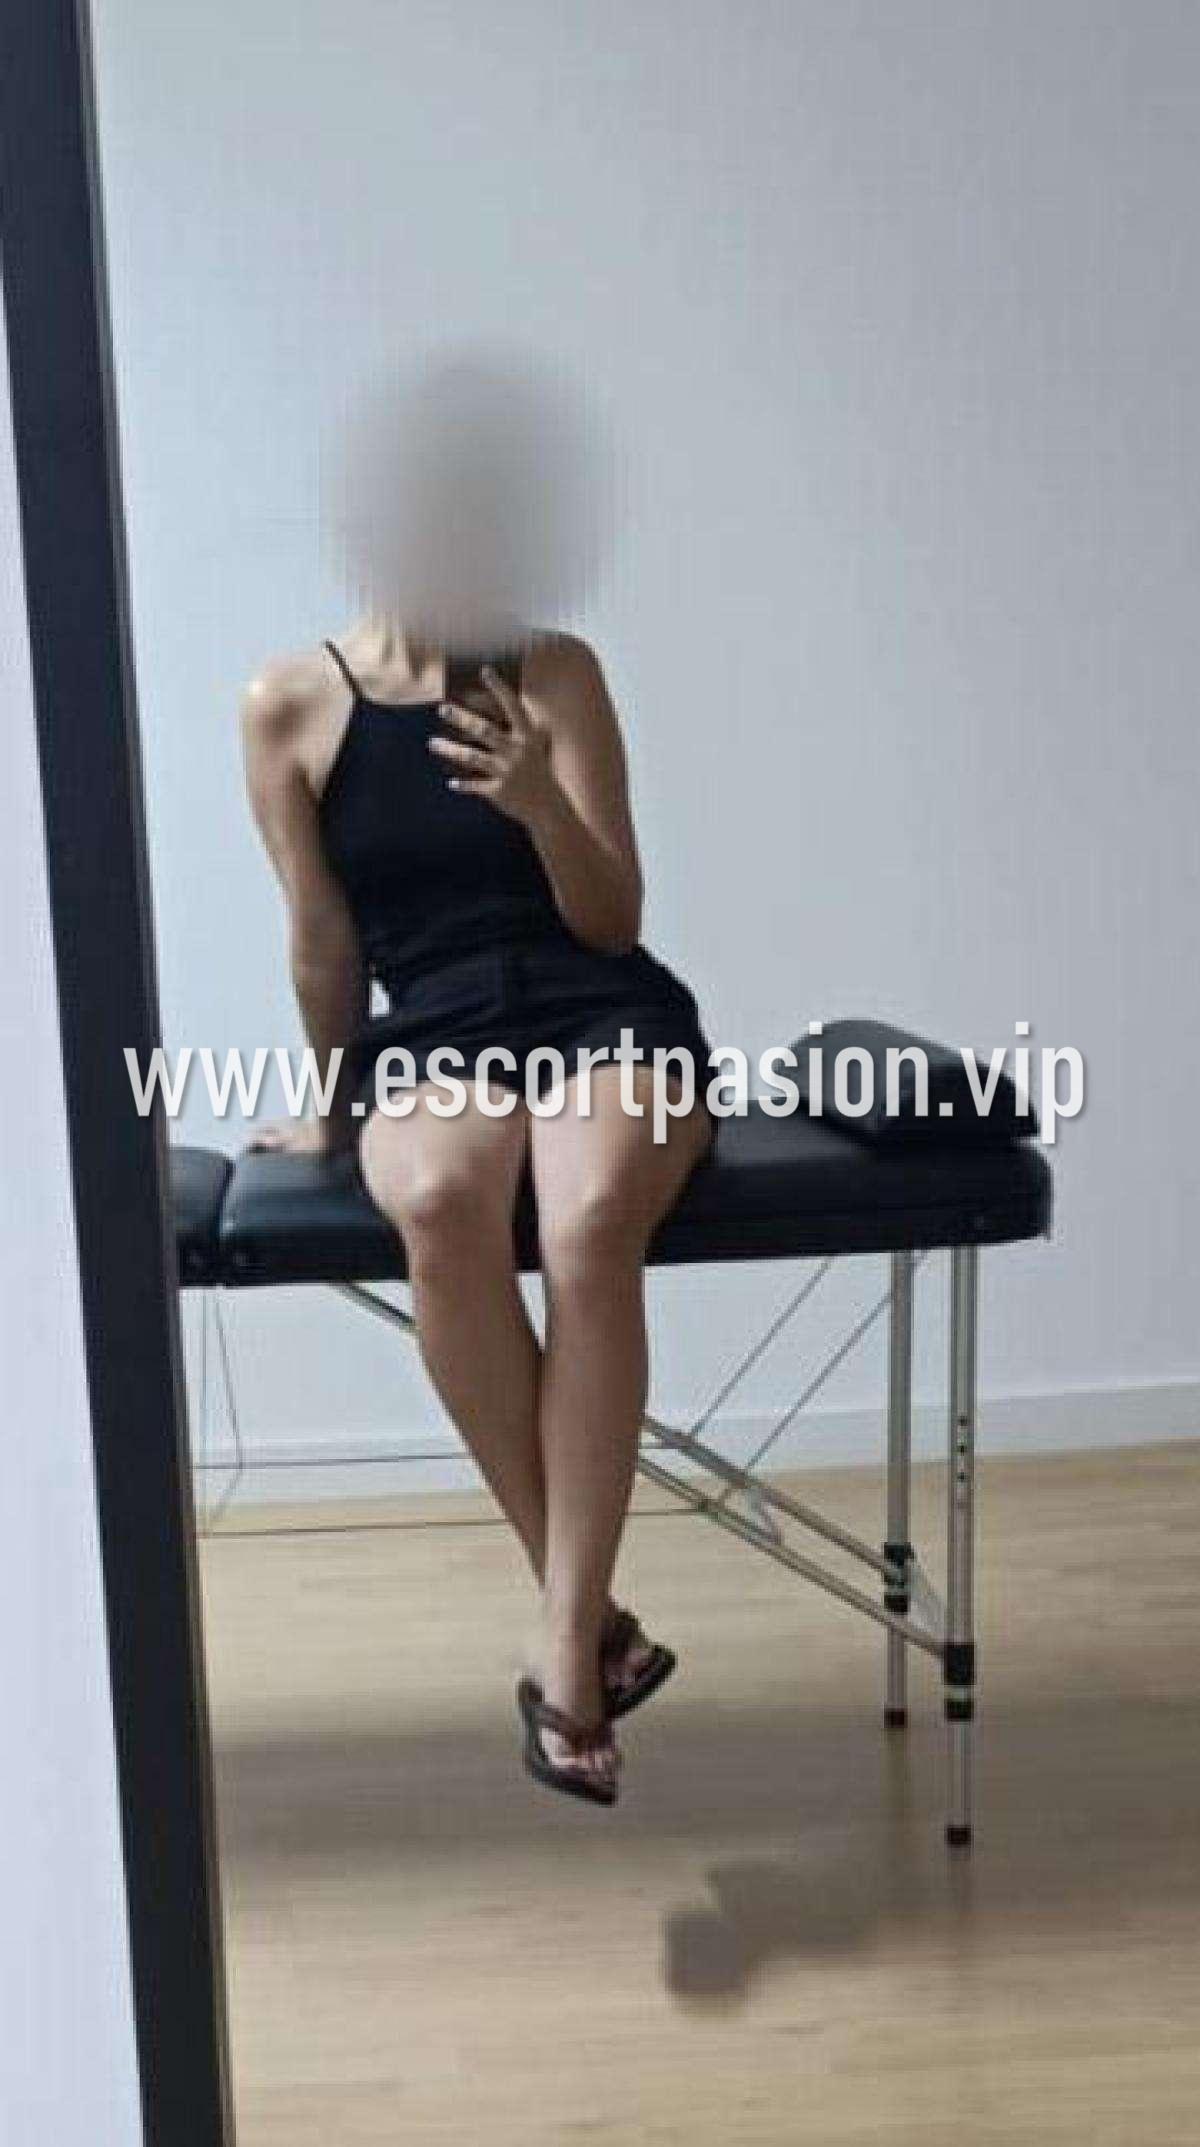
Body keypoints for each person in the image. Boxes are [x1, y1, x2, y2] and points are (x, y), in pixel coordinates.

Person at [240, 615, 715, 1804]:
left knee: (587, 1215)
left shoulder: (557, 669)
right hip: (435, 1027)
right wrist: (329, 1109)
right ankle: (590, 1616)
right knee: (440, 1194)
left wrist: (540, 803)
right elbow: (322, 941)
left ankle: (566, 1653)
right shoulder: (287, 705)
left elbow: (614, 916)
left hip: (603, 1011)